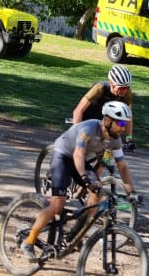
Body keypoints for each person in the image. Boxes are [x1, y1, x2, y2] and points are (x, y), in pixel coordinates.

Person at [21, 102, 137, 259]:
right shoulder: (89, 129)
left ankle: (73, 236)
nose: (123, 127)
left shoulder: (115, 139)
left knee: (97, 195)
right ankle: (29, 240)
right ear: (108, 121)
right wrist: (84, 178)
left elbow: (121, 166)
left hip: (80, 160)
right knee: (58, 204)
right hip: (63, 155)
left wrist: (131, 192)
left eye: (126, 123)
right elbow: (78, 154)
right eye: (121, 123)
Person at [73, 64, 134, 129]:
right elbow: (78, 111)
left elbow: (128, 118)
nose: (124, 90)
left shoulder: (127, 93)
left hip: (105, 123)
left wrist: (129, 137)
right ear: (111, 83)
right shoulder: (99, 89)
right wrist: (77, 132)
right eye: (121, 88)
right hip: (87, 120)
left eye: (127, 87)